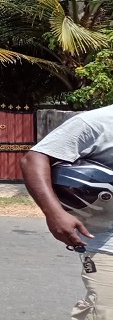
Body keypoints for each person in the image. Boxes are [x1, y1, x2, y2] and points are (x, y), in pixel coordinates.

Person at [20, 105, 113, 318]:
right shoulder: (95, 122)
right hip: (107, 243)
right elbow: (33, 159)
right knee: (105, 312)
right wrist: (54, 214)